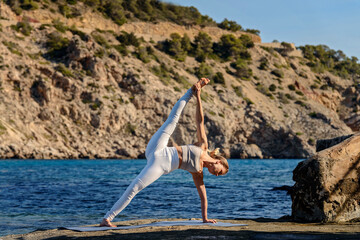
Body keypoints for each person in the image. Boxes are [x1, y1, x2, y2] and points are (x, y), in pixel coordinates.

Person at [100, 78, 229, 227]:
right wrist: (198, 96)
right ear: (219, 162)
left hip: (160, 165)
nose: (216, 174)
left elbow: (203, 198)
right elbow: (200, 121)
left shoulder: (198, 173)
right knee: (172, 121)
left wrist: (205, 219)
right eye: (219, 171)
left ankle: (107, 219)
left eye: (218, 175)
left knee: (134, 188)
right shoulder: (203, 147)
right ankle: (192, 90)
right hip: (158, 148)